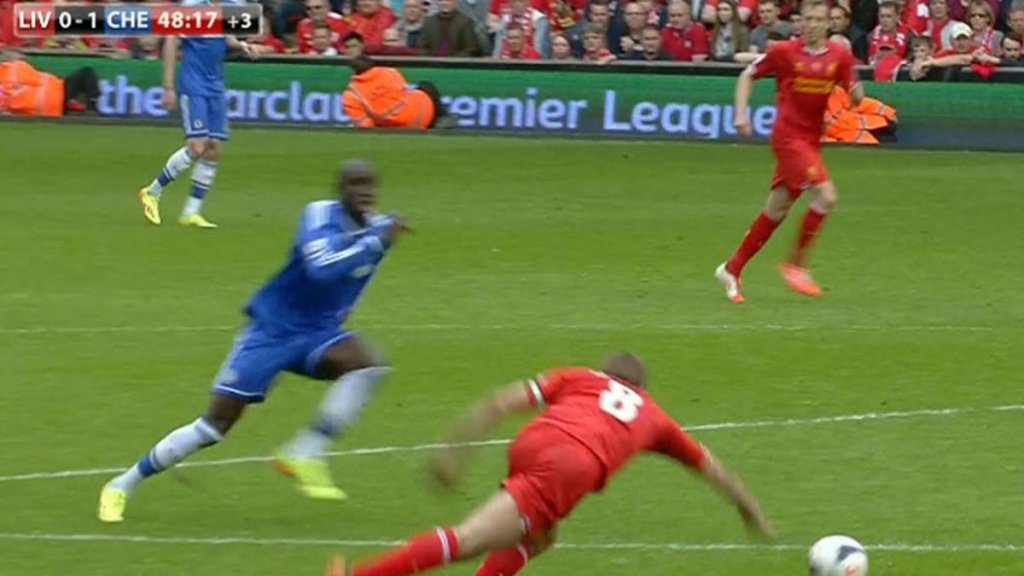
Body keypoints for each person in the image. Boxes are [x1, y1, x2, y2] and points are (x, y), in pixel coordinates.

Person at [98, 160, 408, 523]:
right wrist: (375, 241)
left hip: (317, 333)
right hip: (271, 331)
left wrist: (377, 239)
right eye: (355, 184)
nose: (364, 192)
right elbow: (322, 270)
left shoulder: (378, 228)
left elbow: (356, 276)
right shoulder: (318, 215)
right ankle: (121, 485)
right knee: (213, 427)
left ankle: (305, 451)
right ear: (339, 189)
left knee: (369, 364)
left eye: (369, 184)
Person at [326, 352, 775, 576]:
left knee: (540, 537)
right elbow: (712, 468)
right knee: (470, 539)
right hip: (569, 464)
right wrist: (749, 508)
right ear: (641, 387)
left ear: (606, 372)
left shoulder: (578, 376)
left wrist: (454, 453)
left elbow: (499, 403)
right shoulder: (654, 417)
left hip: (533, 443)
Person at [717, 0, 863, 303]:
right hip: (788, 138)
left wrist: (856, 95)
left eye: (818, 20)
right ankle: (796, 265)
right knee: (826, 196)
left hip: (810, 141)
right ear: (800, 21)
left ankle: (731, 268)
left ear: (828, 24)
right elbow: (747, 75)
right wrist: (740, 114)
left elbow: (854, 93)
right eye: (807, 19)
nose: (812, 25)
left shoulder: (839, 55)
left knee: (777, 209)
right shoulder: (783, 52)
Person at [135, 0, 256, 229]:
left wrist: (241, 46)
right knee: (197, 147)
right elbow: (172, 40)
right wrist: (168, 86)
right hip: (194, 87)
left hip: (216, 88)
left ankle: (191, 212)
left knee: (213, 149)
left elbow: (226, 38)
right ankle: (152, 191)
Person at [342, 55, 451, 130]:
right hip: (426, 113)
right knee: (426, 85)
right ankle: (443, 118)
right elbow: (404, 90)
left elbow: (366, 125)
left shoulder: (351, 95)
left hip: (399, 128)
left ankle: (441, 121)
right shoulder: (389, 72)